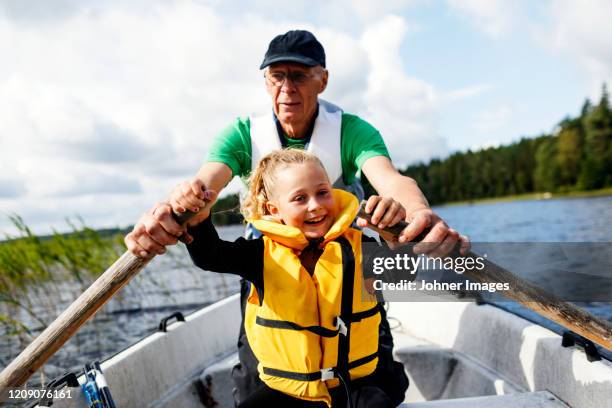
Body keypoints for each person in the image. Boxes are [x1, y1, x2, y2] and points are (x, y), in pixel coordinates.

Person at [125, 29, 469, 404]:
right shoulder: (241, 136)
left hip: (350, 272)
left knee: (377, 381)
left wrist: (418, 215)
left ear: (323, 79)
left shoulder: (352, 131)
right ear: (265, 81)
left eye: (299, 76)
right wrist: (178, 211)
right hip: (272, 275)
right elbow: (202, 188)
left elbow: (390, 181)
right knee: (259, 391)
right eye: (277, 76)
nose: (286, 88)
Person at [179, 149, 404, 407]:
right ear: (275, 210)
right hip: (288, 393)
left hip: (352, 387)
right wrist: (199, 219)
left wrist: (393, 239)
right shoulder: (260, 254)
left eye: (322, 192)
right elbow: (211, 256)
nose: (315, 205)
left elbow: (397, 275)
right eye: (300, 198)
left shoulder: (358, 245)